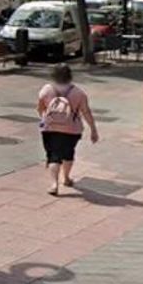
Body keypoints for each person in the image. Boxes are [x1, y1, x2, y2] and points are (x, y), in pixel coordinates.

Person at [37, 64, 99, 196]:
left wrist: (44, 120)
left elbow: (40, 108)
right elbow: (86, 112)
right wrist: (93, 129)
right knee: (68, 153)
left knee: (54, 156)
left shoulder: (46, 90)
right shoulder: (79, 93)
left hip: (50, 128)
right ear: (70, 75)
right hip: (72, 129)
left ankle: (54, 184)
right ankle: (66, 178)